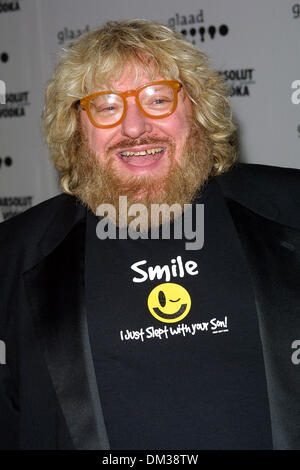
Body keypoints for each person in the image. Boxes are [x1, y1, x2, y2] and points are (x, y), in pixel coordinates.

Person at [0, 19, 299, 451]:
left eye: (158, 99)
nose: (136, 127)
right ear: (76, 129)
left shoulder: (292, 209)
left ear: (197, 109)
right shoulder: (12, 258)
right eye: (106, 107)